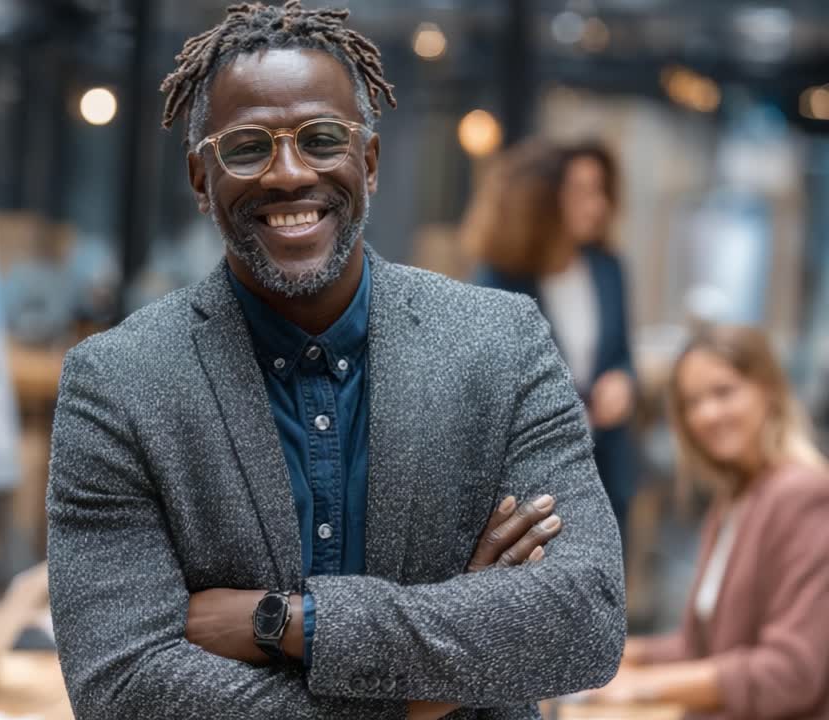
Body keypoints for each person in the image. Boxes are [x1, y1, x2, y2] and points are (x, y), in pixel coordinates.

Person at [46, 2, 625, 718]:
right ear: (201, 180)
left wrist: (285, 623)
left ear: (369, 162)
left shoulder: (500, 344)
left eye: (322, 138)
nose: (289, 174)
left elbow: (584, 621)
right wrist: (425, 696)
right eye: (248, 147)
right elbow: (122, 686)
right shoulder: (117, 384)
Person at [586, 325, 829, 718]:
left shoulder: (803, 495)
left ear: (768, 389)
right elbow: (707, 648)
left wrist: (644, 687)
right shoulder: (734, 499)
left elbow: (792, 673)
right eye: (691, 403)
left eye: (723, 392)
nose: (706, 414)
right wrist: (620, 654)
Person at [464, 138, 638, 537]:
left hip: (606, 470)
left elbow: (621, 355)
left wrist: (624, 381)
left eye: (601, 191)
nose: (598, 205)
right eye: (582, 191)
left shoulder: (608, 268)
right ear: (540, 199)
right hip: (533, 489)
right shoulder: (498, 283)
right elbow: (487, 390)